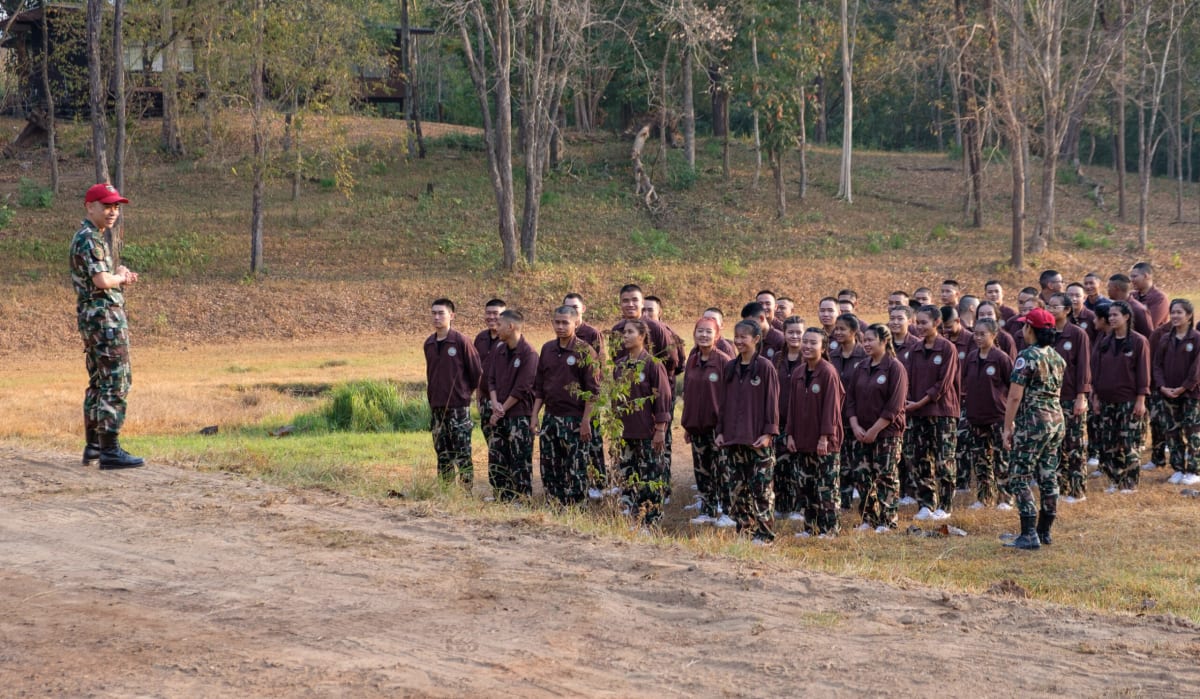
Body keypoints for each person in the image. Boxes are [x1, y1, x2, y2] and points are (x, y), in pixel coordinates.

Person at [71, 183, 144, 469]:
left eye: (115, 206)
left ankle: (94, 447)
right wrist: (122, 278)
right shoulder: (90, 238)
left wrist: (116, 274)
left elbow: (99, 277)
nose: (112, 211)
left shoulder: (92, 237)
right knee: (116, 380)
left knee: (99, 382)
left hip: (95, 319)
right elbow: (101, 282)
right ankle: (110, 451)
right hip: (105, 320)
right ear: (90, 206)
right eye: (106, 205)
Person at [1001, 308, 1066, 550]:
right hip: (1056, 421)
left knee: (1019, 476)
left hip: (1033, 423)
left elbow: (1014, 397)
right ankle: (1044, 530)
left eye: (1025, 326)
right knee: (1048, 474)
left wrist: (1008, 428)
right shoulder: (1057, 358)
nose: (1021, 330)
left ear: (1032, 330)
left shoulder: (1027, 357)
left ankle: (1028, 533)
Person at [718, 320, 780, 545]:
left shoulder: (765, 367)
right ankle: (744, 530)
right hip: (734, 439)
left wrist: (769, 433)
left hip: (757, 439)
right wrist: (721, 431)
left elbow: (772, 403)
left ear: (756, 339)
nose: (739, 340)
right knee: (737, 489)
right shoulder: (730, 367)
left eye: (744, 336)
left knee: (761, 490)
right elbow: (723, 403)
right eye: (736, 336)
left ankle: (765, 535)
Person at [531, 306, 600, 505]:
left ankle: (577, 507)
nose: (560, 327)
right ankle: (554, 504)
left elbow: (593, 392)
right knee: (550, 465)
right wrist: (535, 415)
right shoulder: (547, 349)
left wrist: (586, 421)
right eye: (557, 322)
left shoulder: (585, 351)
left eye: (565, 323)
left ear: (575, 323)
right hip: (551, 417)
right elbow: (540, 387)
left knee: (576, 467)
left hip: (575, 418)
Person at [847, 324, 908, 532]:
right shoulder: (861, 367)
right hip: (861, 432)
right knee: (862, 476)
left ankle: (888, 520)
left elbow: (895, 406)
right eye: (864, 340)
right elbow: (851, 400)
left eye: (870, 340)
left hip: (887, 433)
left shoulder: (894, 367)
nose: (866, 344)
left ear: (884, 341)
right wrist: (855, 425)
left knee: (886, 476)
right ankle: (868, 519)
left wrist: (874, 430)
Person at [612, 320, 672, 525]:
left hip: (648, 432)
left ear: (641, 336)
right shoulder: (620, 365)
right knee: (628, 477)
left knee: (650, 478)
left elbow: (663, 398)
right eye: (624, 332)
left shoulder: (653, 364)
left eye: (630, 332)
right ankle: (632, 517)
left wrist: (660, 430)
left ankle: (651, 521)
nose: (625, 336)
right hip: (626, 433)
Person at [904, 305, 960, 521]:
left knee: (944, 460)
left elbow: (943, 384)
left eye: (924, 322)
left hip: (942, 412)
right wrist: (911, 404)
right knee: (919, 459)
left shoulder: (947, 349)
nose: (919, 327)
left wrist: (919, 402)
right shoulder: (915, 350)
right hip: (917, 413)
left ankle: (945, 506)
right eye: (917, 322)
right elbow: (908, 379)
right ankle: (926, 503)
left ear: (937, 322)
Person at [786, 327, 845, 538]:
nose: (808, 346)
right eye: (805, 342)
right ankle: (811, 528)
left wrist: (824, 437)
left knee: (826, 486)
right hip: (802, 438)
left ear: (823, 346)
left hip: (824, 442)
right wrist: (790, 434)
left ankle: (830, 529)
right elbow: (791, 406)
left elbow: (832, 408)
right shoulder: (798, 372)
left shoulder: (828, 372)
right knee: (806, 485)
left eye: (813, 343)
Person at [1091, 301, 1150, 493]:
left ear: (1126, 317)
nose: (1112, 318)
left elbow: (1143, 373)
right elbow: (1097, 372)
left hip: (1129, 401)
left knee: (1128, 442)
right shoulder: (1105, 342)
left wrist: (1141, 399)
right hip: (1107, 400)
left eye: (1116, 314)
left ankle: (1130, 483)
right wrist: (1096, 397)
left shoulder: (1138, 341)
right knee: (1108, 442)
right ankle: (1115, 479)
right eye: (1110, 315)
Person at [682, 317, 734, 526]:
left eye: (708, 332)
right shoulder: (692, 360)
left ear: (717, 336)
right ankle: (707, 509)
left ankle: (728, 511)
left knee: (722, 468)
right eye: (700, 331)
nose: (704, 335)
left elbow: (732, 397)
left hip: (718, 427)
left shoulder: (723, 361)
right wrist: (687, 423)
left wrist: (725, 428)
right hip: (697, 425)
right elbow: (688, 392)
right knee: (702, 470)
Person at [424, 298, 483, 485]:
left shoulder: (460, 341)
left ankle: (466, 492)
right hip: (437, 408)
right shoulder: (429, 343)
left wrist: (464, 394)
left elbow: (476, 372)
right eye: (433, 313)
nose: (436, 317)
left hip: (458, 408)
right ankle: (446, 491)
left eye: (441, 313)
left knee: (462, 452)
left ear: (452, 315)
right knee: (442, 453)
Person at [487, 310, 539, 501]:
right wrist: (494, 404)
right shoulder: (498, 349)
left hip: (519, 414)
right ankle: (501, 495)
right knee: (497, 457)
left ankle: (522, 498)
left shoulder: (529, 353)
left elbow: (523, 388)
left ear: (511, 327)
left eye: (499, 324)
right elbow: (490, 379)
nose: (496, 327)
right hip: (499, 412)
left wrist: (501, 409)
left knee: (520, 459)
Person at [962, 319, 1013, 509]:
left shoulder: (1001, 358)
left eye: (982, 334)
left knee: (1002, 460)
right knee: (981, 461)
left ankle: (1005, 498)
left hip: (997, 416)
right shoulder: (972, 357)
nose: (978, 337)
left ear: (994, 335)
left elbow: (1012, 386)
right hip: (976, 417)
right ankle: (984, 498)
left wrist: (1011, 419)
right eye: (975, 333)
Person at [1047, 293, 1092, 504]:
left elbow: (1083, 367)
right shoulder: (1045, 334)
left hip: (1071, 397)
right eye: (1049, 306)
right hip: (1050, 400)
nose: (1051, 309)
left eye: (1056, 307)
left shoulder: (1077, 334)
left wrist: (1081, 397)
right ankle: (1060, 488)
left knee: (1075, 446)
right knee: (1055, 447)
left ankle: (1077, 490)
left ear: (1067, 310)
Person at [563, 293, 607, 497]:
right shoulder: (561, 331)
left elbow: (602, 365)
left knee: (593, 440)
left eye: (575, 307)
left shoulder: (592, 334)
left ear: (583, 309)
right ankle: (576, 480)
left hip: (590, 396)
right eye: (567, 307)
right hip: (569, 400)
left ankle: (599, 483)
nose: (572, 310)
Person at [1153, 299, 1200, 486]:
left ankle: (1194, 470)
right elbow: (1157, 365)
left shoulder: (1196, 338)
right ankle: (1178, 468)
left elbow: (1197, 368)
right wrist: (1162, 386)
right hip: (1168, 392)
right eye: (1173, 312)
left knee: (1193, 432)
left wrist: (1184, 386)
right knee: (1172, 431)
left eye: (1179, 312)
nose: (1175, 316)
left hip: (1190, 394)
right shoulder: (1165, 338)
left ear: (1189, 316)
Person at [773, 316, 808, 523]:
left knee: (799, 468)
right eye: (791, 332)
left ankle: (799, 507)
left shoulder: (810, 358)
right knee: (780, 467)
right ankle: (782, 506)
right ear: (784, 334)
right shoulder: (777, 358)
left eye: (799, 332)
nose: (795, 336)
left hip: (802, 423)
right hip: (779, 422)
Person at [831, 313, 866, 510]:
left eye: (842, 329)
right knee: (841, 463)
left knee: (859, 463)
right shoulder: (832, 354)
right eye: (836, 329)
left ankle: (865, 502)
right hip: (837, 418)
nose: (838, 332)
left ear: (854, 332)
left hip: (859, 418)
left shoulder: (863, 355)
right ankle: (843, 503)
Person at [474, 298, 507, 448]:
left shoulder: (508, 340)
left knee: (504, 444)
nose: (491, 317)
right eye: (488, 313)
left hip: (503, 401)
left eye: (496, 313)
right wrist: (478, 398)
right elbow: (477, 370)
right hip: (485, 399)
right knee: (491, 443)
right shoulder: (480, 338)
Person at [1130, 262, 1169, 328]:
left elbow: (1149, 325)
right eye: (1131, 277)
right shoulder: (1131, 296)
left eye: (1134, 276)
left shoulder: (1159, 298)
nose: (1132, 280)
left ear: (1146, 276)